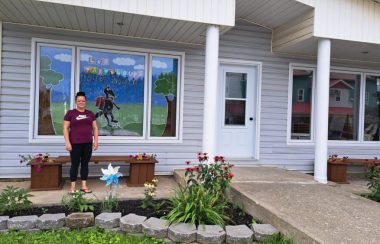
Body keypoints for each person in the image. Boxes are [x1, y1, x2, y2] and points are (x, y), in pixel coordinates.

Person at [63, 91, 99, 193]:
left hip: (87, 144)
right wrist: (67, 142)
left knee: (85, 164)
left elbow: (95, 128)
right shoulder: (70, 113)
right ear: (76, 102)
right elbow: (65, 128)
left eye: (83, 101)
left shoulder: (90, 113)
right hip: (74, 144)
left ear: (85, 102)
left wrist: (96, 141)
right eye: (79, 101)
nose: (81, 102)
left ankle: (84, 186)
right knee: (74, 164)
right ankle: (73, 187)